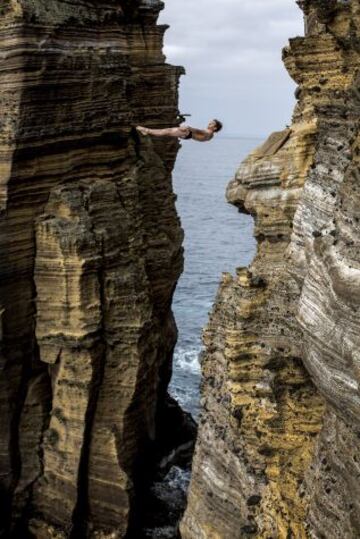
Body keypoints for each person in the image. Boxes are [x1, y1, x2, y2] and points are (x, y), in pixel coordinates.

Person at [136, 119, 223, 142]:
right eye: (210, 122)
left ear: (215, 128)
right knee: (167, 133)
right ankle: (146, 131)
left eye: (211, 124)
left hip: (187, 133)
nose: (209, 124)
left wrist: (187, 127)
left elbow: (198, 131)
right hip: (187, 136)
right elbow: (200, 136)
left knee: (166, 131)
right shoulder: (211, 136)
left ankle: (145, 130)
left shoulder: (208, 132)